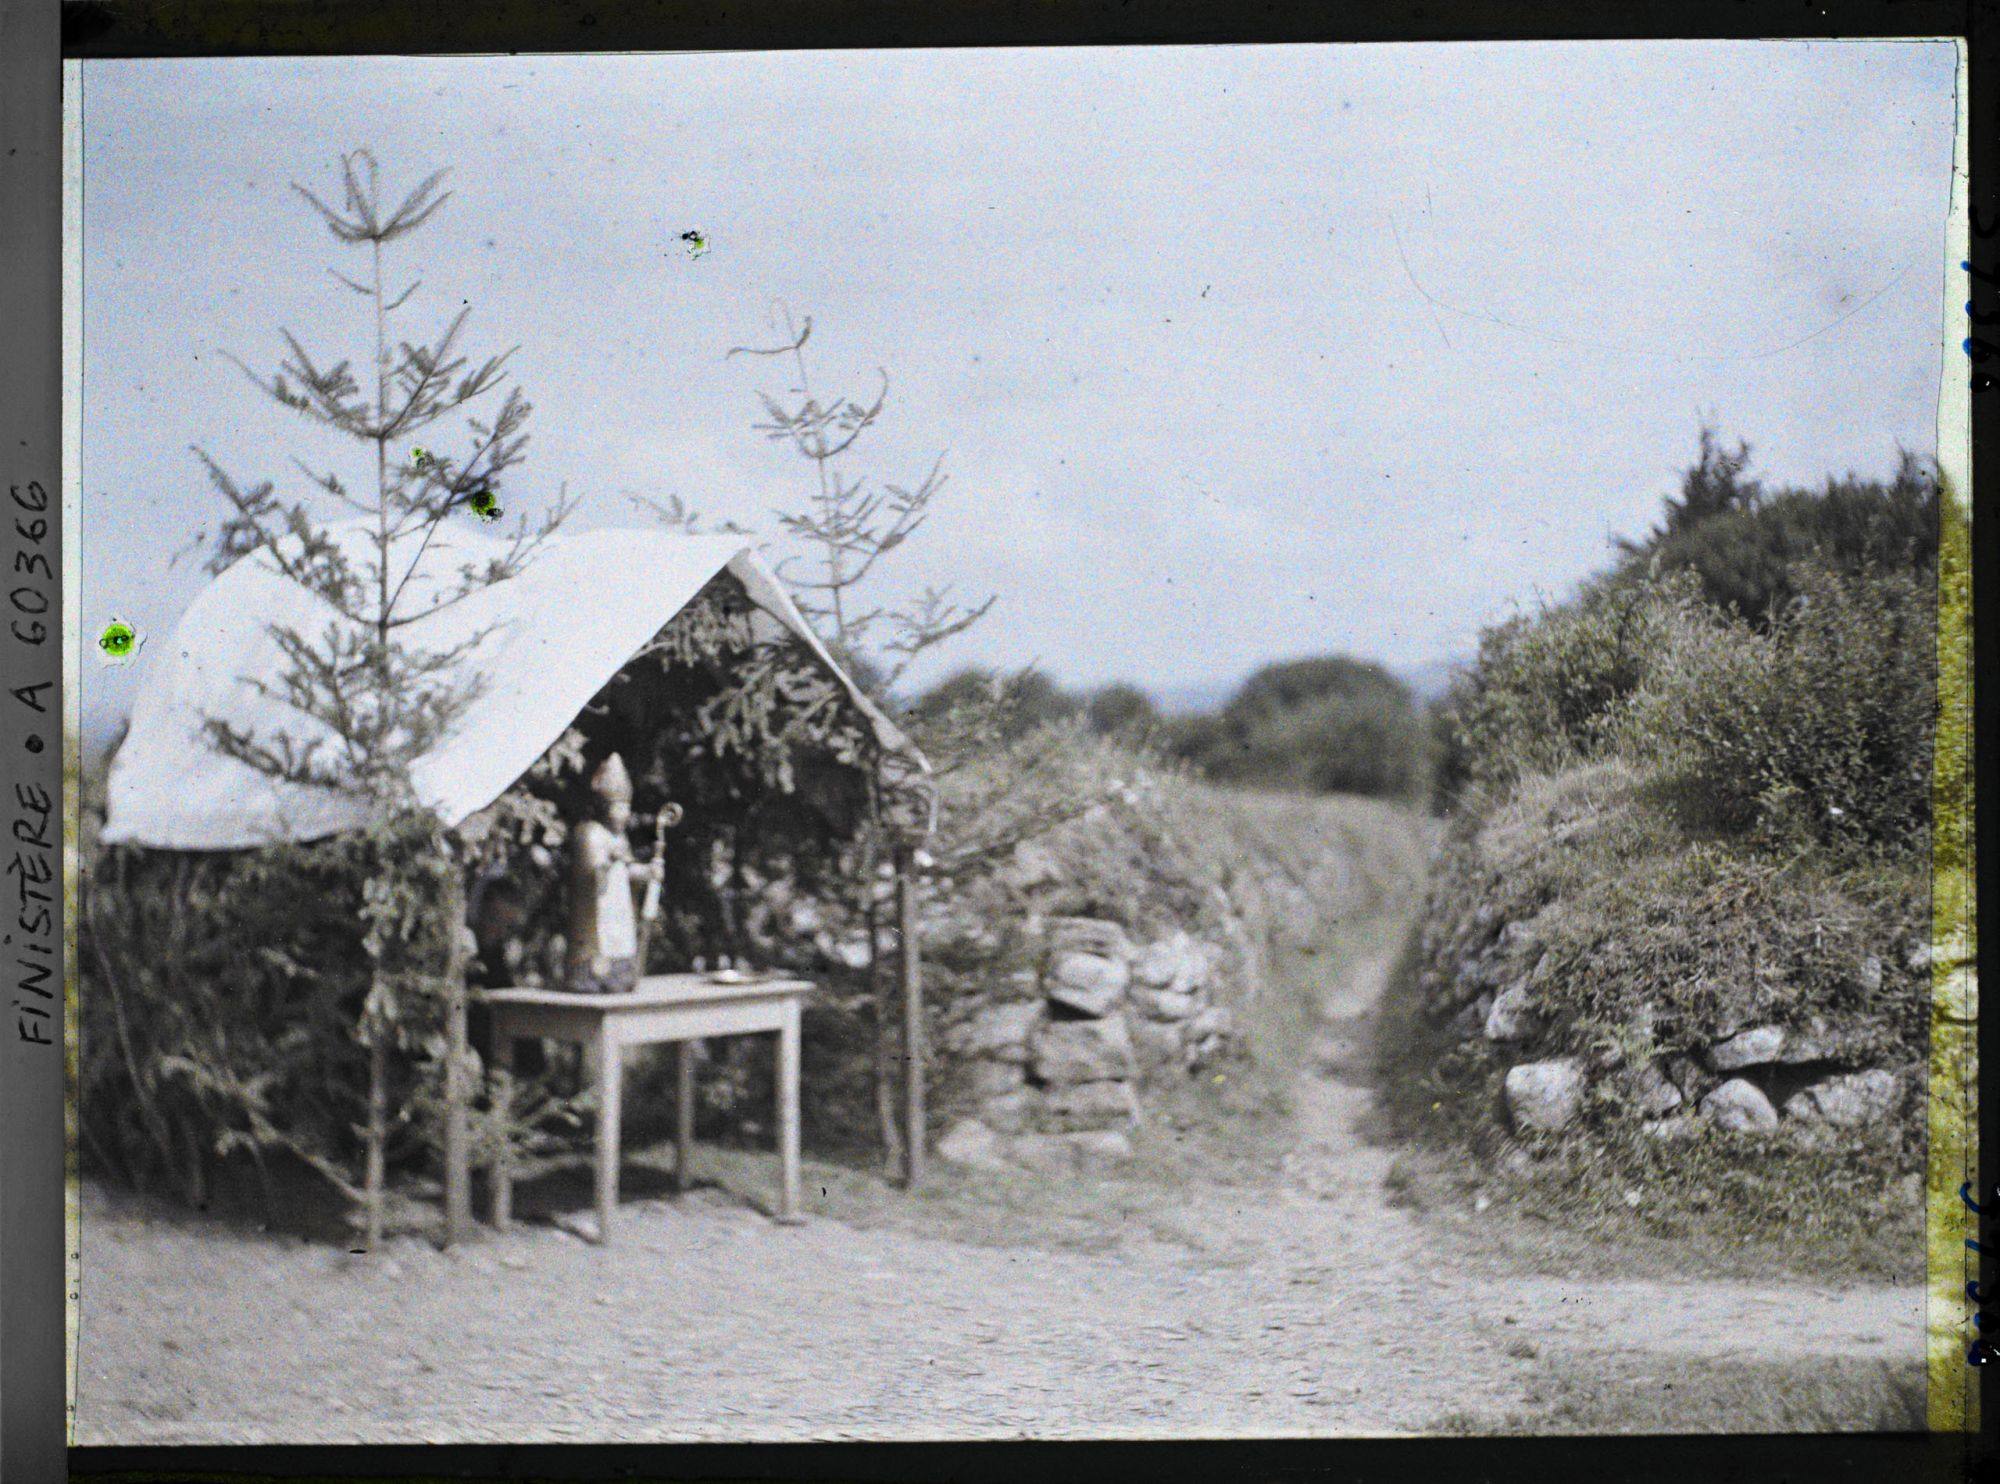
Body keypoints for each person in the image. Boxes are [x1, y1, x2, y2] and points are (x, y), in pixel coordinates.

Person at [564, 753, 665, 994]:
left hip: (617, 907)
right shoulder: (590, 833)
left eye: (627, 807)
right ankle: (591, 973)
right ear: (605, 806)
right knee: (601, 941)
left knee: (619, 941)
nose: (624, 814)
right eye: (619, 807)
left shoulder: (620, 837)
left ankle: (619, 972)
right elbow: (587, 875)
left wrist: (648, 872)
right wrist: (608, 859)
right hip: (597, 909)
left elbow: (628, 869)